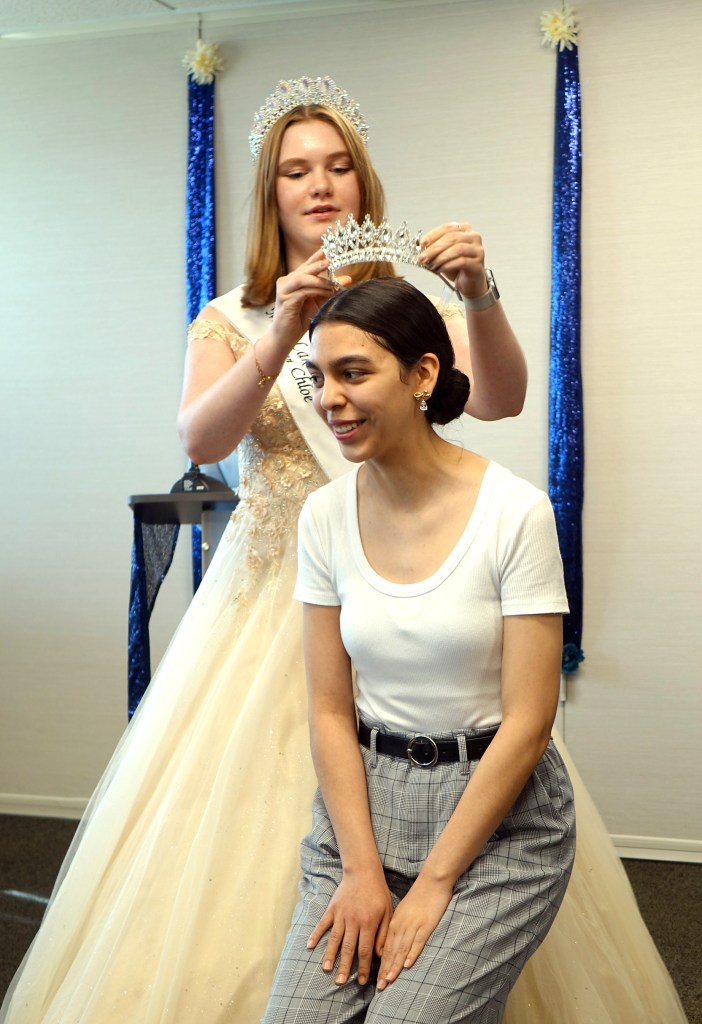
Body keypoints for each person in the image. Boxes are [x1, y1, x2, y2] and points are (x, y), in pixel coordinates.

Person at [0, 78, 687, 1024]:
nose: (319, 185)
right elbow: (201, 439)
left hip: (415, 589)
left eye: (337, 166)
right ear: (269, 193)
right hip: (272, 598)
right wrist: (282, 329)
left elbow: (500, 401)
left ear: (364, 183)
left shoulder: (411, 305)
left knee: (465, 762)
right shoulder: (233, 314)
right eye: (296, 170)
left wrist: (477, 293)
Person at [261, 277, 576, 1022]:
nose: (329, 398)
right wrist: (360, 870)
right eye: (319, 377)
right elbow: (329, 709)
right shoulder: (324, 516)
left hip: (500, 825)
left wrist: (434, 884)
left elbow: (530, 723)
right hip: (364, 813)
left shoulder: (516, 511)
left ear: (422, 375)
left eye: (353, 373)